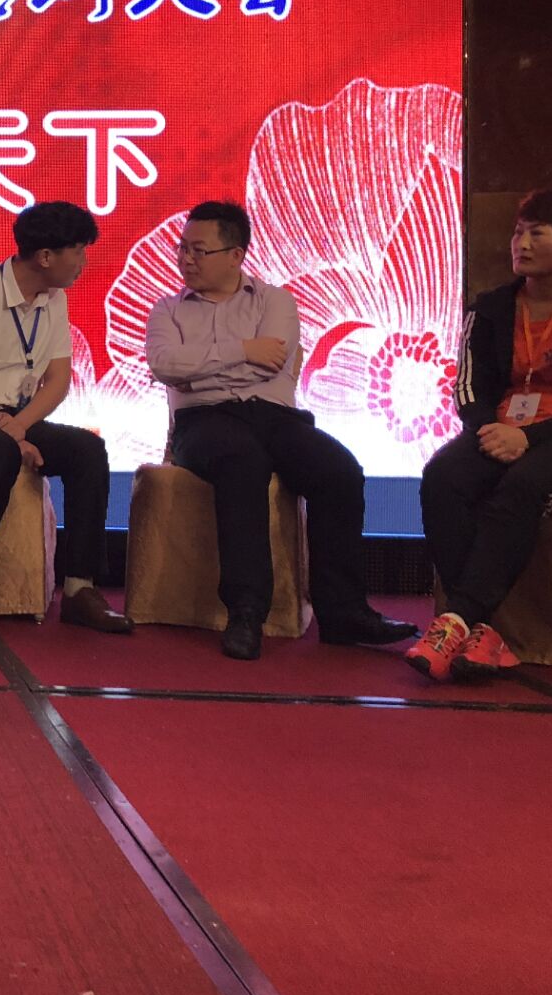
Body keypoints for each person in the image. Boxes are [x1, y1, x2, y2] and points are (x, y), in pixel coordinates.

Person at [144, 200, 416, 660]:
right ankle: (247, 611)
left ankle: (343, 613)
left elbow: (271, 363)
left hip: (274, 416)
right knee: (241, 462)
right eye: (182, 248)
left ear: (236, 255)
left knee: (339, 470)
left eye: (198, 250)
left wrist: (202, 367)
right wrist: (243, 350)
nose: (185, 259)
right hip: (203, 421)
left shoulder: (275, 301)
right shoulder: (167, 310)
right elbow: (165, 365)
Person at [0, 200, 130, 636]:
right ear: (45, 256)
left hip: (14, 418)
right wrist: (7, 432)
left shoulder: (55, 300)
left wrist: (21, 425)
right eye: (78, 252)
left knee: (88, 450)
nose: (84, 263)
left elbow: (58, 379)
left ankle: (80, 588)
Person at [409, 189, 552, 681]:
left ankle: (456, 619)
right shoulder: (490, 307)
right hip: (501, 427)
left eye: (537, 234)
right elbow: (467, 387)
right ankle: (480, 631)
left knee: (522, 486)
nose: (521, 244)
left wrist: (530, 439)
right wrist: (491, 430)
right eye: (517, 233)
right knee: (443, 477)